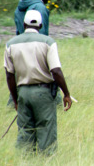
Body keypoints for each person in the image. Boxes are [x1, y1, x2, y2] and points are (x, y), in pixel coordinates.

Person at [5, 9, 73, 154]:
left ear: (23, 25)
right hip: (43, 93)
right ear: (41, 25)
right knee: (46, 131)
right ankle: (46, 165)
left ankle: (25, 162)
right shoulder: (48, 42)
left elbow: (9, 75)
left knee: (25, 131)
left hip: (23, 92)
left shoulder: (10, 44)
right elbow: (56, 71)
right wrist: (66, 93)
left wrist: (16, 99)